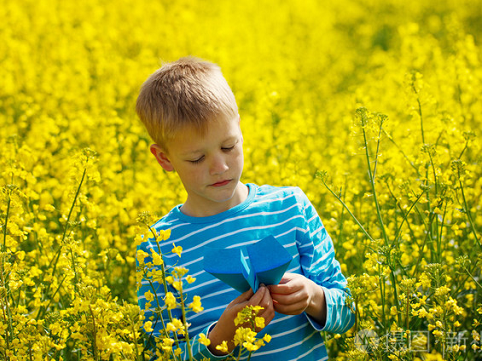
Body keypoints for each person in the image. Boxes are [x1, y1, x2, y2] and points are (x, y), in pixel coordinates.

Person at [135, 56, 355, 360]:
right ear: (164, 159)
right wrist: (221, 338)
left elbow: (349, 313)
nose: (220, 167)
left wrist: (314, 298)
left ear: (239, 127)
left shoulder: (290, 207)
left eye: (229, 146)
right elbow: (157, 353)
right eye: (197, 159)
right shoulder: (159, 246)